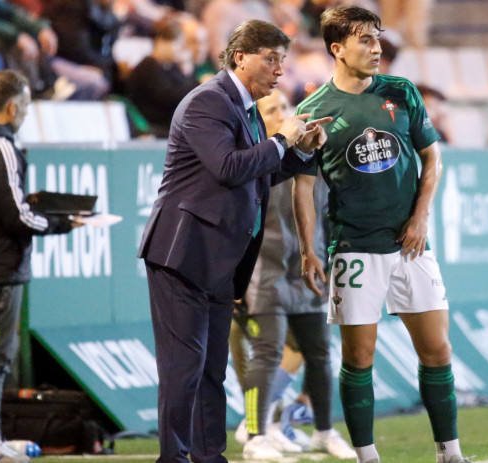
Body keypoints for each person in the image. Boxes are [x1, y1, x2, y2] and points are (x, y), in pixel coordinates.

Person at [137, 19, 331, 463]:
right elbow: (228, 167)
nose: (280, 71)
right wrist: (283, 137)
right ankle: (174, 458)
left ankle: (209, 457)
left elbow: (258, 175)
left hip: (220, 260)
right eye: (271, 60)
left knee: (211, 369)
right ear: (240, 57)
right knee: (183, 369)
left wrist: (302, 150)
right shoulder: (209, 101)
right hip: (182, 255)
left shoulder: (242, 107)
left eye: (283, 61)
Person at [292, 7, 470, 463]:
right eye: (365, 41)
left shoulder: (402, 92)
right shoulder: (312, 112)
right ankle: (367, 456)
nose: (375, 49)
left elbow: (433, 159)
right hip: (354, 248)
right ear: (337, 48)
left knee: (437, 349)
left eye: (377, 39)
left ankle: (449, 453)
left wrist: (420, 218)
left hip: (411, 245)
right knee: (359, 357)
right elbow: (305, 185)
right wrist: (308, 250)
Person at [0, 70, 77, 463]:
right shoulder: (0, 147)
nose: (25, 113)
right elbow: (17, 218)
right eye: (25, 106)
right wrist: (60, 222)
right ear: (12, 107)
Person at [237, 88, 356, 460]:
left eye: (285, 106)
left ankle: (323, 431)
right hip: (264, 273)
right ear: (260, 121)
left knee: (319, 354)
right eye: (273, 109)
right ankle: (255, 434)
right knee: (267, 353)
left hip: (306, 271)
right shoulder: (254, 163)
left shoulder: (310, 158)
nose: (284, 112)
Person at [124, 14, 199, 137]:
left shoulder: (169, 66)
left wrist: (188, 72)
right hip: (154, 124)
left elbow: (184, 88)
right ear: (163, 42)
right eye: (178, 44)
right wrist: (196, 84)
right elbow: (169, 97)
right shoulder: (148, 66)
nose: (181, 50)